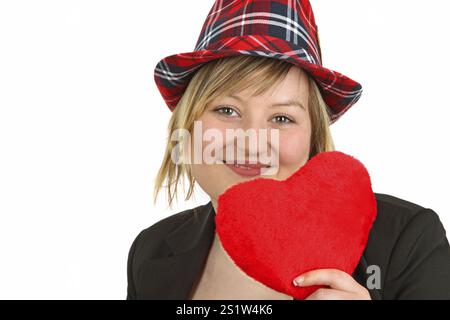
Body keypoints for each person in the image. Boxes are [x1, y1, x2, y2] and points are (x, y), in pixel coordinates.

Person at [127, 0, 450, 300]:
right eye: (226, 110)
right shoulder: (152, 248)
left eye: (282, 118)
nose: (252, 140)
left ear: (313, 137)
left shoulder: (407, 238)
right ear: (188, 124)